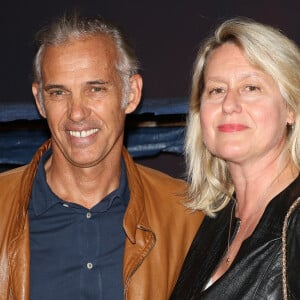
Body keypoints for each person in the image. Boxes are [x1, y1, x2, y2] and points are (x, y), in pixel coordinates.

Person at [0, 14, 203, 300]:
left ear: (131, 93)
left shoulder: (186, 217)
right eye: (59, 92)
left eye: (95, 89)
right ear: (40, 101)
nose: (77, 113)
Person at [171, 17, 300, 299]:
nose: (229, 105)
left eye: (250, 88)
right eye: (216, 90)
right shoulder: (217, 221)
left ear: (290, 108)